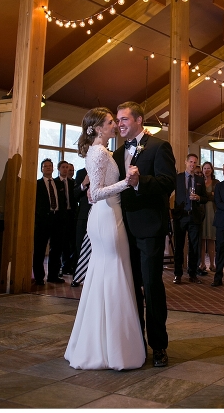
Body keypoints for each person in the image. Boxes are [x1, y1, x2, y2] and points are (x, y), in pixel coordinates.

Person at [65, 108, 145, 370]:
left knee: (105, 275)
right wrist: (127, 182)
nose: (115, 125)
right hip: (108, 215)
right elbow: (96, 193)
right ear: (99, 128)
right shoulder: (99, 152)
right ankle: (113, 348)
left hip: (110, 214)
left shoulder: (102, 151)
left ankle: (100, 343)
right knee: (114, 274)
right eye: (111, 122)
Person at [113, 101, 176, 368]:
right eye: (117, 120)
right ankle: (135, 342)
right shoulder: (116, 154)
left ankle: (159, 346)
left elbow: (168, 183)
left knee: (151, 287)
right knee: (130, 288)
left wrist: (141, 182)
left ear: (139, 120)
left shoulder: (159, 147)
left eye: (125, 119)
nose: (120, 124)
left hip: (150, 228)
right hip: (123, 229)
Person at [171, 153, 207, 284]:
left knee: (194, 246)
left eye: (195, 163)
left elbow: (205, 198)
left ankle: (193, 274)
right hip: (180, 216)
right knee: (179, 246)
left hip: (194, 216)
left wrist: (199, 198)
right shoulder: (177, 178)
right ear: (186, 162)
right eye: (190, 162)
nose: (192, 165)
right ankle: (178, 274)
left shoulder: (199, 180)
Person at [33, 158, 66, 285]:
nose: (48, 168)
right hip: (43, 220)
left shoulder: (58, 183)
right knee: (40, 249)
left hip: (57, 218)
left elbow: (63, 202)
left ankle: (53, 275)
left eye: (50, 166)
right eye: (45, 166)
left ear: (53, 168)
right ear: (41, 169)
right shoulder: (38, 184)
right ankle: (39, 277)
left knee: (56, 249)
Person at [70, 167, 91, 287]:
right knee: (79, 245)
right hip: (83, 215)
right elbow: (75, 194)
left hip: (100, 212)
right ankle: (77, 277)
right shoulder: (81, 173)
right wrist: (84, 184)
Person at [56, 160, 76, 276]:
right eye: (63, 167)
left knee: (70, 242)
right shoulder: (55, 182)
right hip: (60, 215)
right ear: (59, 169)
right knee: (60, 243)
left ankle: (67, 266)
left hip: (71, 214)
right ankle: (58, 268)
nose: (66, 169)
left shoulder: (72, 182)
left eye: (67, 167)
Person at [198, 161, 217, 276]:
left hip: (212, 212)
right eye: (204, 168)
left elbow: (217, 197)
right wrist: (210, 196)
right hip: (201, 211)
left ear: (212, 170)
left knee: (211, 239)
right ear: (202, 170)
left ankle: (212, 264)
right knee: (201, 240)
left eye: (208, 168)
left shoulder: (216, 182)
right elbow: (200, 197)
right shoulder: (199, 181)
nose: (206, 170)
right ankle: (202, 264)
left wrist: (206, 197)